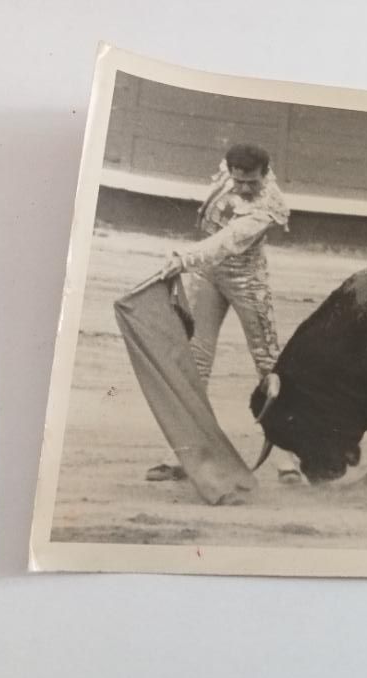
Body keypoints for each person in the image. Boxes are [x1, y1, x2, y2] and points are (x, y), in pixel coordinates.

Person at [146, 143, 301, 484]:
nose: (245, 188)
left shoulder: (268, 203)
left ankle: (287, 458)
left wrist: (183, 258)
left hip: (249, 284)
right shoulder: (225, 177)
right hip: (211, 277)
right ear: (229, 171)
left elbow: (228, 240)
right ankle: (181, 453)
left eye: (252, 182)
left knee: (268, 365)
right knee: (196, 361)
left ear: (266, 174)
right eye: (239, 180)